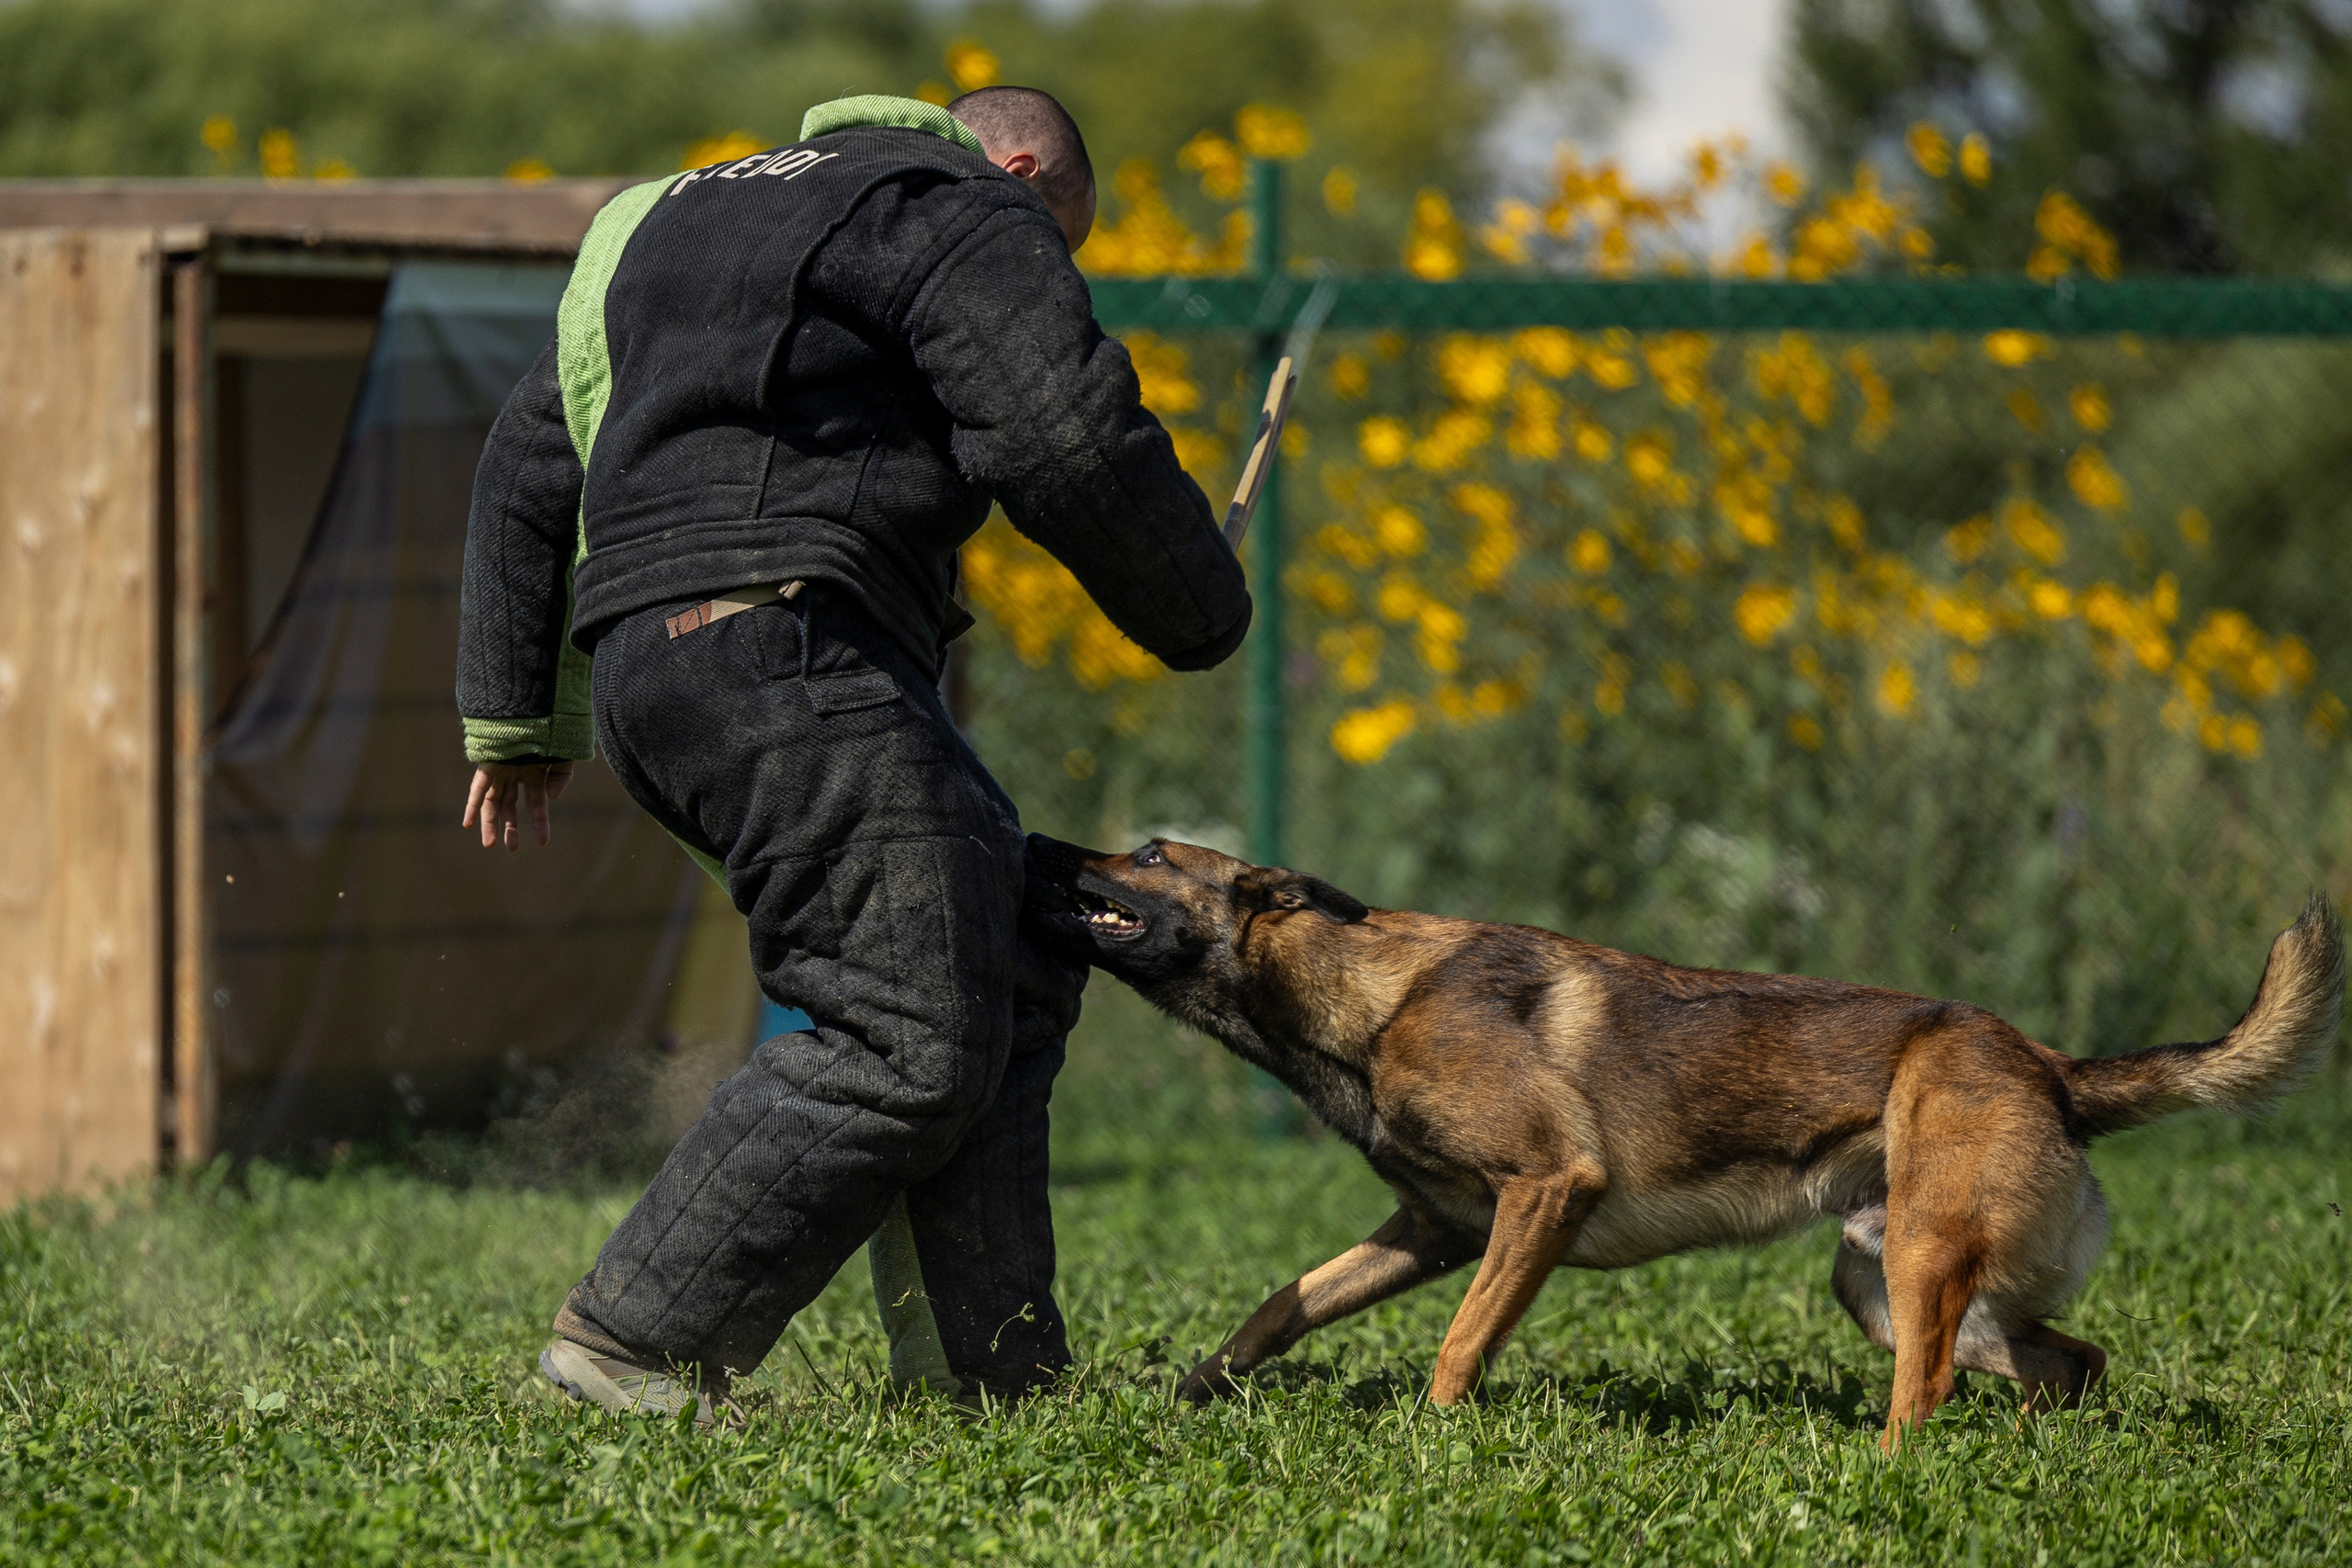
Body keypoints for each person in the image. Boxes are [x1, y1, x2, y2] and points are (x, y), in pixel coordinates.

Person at [454, 87, 1250, 1426]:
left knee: (1002, 953)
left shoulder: (667, 224)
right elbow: (1060, 429)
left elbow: (534, 456)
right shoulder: (947, 206)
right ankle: (634, 1347)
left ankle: (984, 1377)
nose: (1052, 272)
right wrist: (1199, 608)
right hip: (789, 650)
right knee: (904, 1028)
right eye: (1063, 243)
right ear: (1015, 169)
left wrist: (518, 715)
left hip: (673, 671)